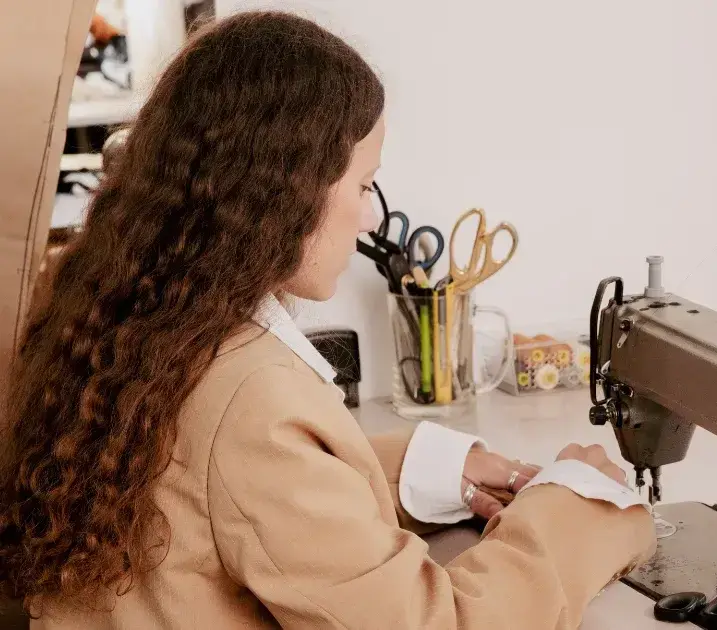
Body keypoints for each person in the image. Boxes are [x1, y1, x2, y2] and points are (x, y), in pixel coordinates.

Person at [0, 11, 655, 629]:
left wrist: (436, 465)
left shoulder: (141, 321)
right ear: (283, 193)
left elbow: (228, 486)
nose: (372, 219)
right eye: (365, 186)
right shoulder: (251, 398)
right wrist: (580, 504)